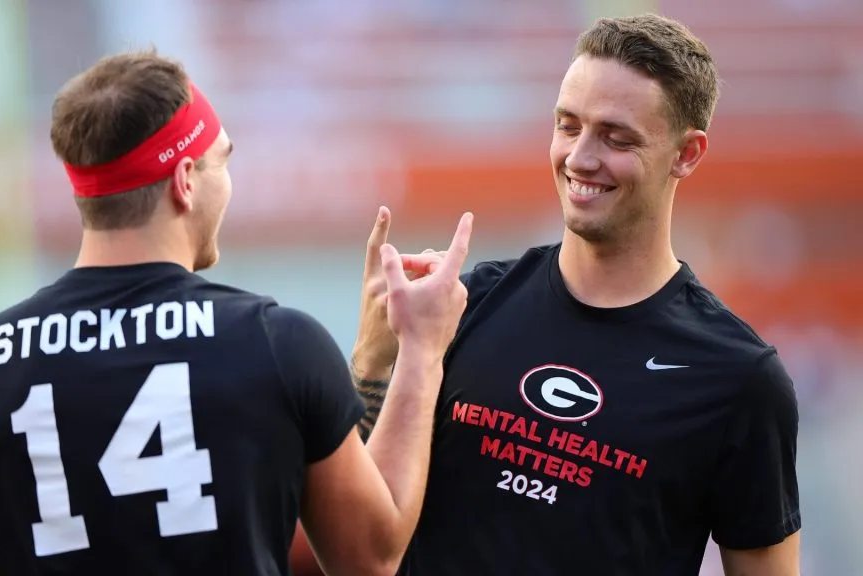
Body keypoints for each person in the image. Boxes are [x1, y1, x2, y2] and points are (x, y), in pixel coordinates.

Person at [0, 48, 474, 576]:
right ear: (186, 181)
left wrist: (368, 364)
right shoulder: (275, 343)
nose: (229, 182)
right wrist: (420, 349)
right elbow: (370, 557)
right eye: (222, 161)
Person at [299, 13, 802, 576]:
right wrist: (372, 356)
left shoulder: (739, 377)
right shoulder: (466, 307)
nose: (580, 158)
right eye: (568, 125)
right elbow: (353, 543)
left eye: (617, 138)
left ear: (687, 154)